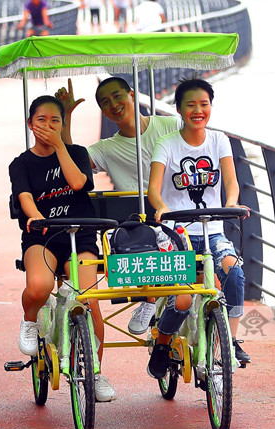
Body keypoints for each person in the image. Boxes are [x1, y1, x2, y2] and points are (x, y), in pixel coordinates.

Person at [9, 95, 117, 402]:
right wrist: (37, 217)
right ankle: (30, 321)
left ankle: (94, 372)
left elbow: (79, 183)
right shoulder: (21, 164)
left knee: (88, 297)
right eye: (41, 120)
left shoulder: (77, 153)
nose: (47, 126)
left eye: (55, 120)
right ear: (30, 124)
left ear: (63, 125)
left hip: (80, 235)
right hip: (42, 236)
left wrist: (59, 147)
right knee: (40, 286)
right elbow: (25, 197)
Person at [57, 76, 180, 335]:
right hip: (137, 225)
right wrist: (66, 116)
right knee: (140, 238)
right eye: (105, 102)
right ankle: (149, 299)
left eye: (117, 96)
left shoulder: (170, 126)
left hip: (176, 213)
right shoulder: (106, 148)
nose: (113, 104)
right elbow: (72, 162)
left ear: (132, 95)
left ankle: (223, 334)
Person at [146, 78, 252, 375]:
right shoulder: (166, 144)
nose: (198, 110)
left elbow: (231, 183)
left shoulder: (219, 140)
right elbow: (154, 189)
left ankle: (231, 339)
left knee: (234, 270)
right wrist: (162, 207)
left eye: (204, 104)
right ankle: (163, 344)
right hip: (176, 232)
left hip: (212, 229)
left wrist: (231, 203)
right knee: (182, 299)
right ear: (178, 108)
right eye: (191, 105)